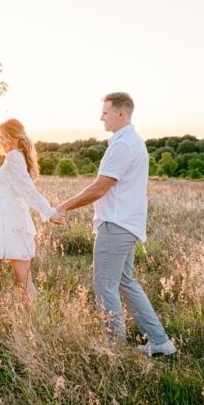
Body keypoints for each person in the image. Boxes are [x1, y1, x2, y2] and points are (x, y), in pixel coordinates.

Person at [51, 92, 176, 356]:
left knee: (105, 286)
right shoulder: (134, 142)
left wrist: (63, 206)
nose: (101, 117)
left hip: (115, 226)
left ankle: (114, 349)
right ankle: (160, 342)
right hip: (126, 225)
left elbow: (100, 188)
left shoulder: (122, 145)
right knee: (125, 282)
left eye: (105, 113)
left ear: (121, 113)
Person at [0, 118, 57, 327]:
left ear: (14, 138)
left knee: (22, 278)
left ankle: (33, 326)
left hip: (13, 223)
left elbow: (28, 190)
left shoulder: (15, 157)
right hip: (1, 222)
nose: (0, 141)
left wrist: (48, 212)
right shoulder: (17, 157)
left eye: (3, 137)